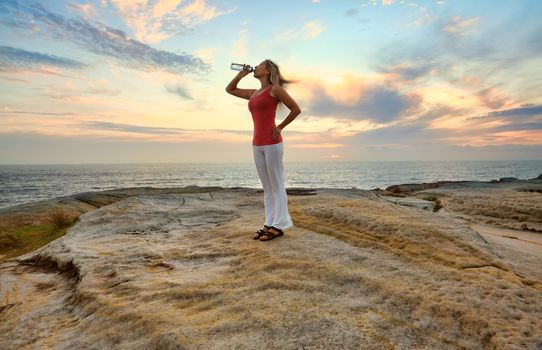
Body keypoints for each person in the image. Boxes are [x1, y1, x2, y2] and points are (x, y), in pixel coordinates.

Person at [226, 59, 301, 241]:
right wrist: (240, 74)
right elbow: (230, 89)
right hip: (257, 143)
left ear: (267, 70)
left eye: (259, 65)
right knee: (267, 187)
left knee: (276, 184)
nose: (256, 67)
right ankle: (269, 222)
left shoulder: (274, 89)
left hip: (273, 142)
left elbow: (295, 109)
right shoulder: (253, 93)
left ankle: (279, 225)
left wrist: (280, 127)